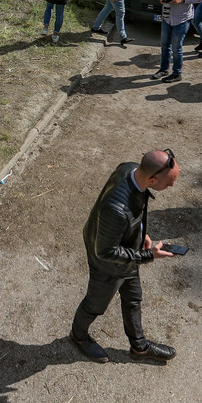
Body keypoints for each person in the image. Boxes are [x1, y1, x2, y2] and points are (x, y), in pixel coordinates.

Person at [70, 150, 180, 364]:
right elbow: (106, 251)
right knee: (95, 304)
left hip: (127, 250)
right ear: (152, 179)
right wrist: (148, 255)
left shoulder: (130, 168)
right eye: (169, 183)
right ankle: (78, 336)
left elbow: (135, 211)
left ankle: (139, 347)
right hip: (107, 261)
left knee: (133, 298)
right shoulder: (116, 210)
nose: (172, 186)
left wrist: (140, 233)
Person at [149, 0, 202, 83]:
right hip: (167, 16)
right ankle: (164, 69)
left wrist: (182, 0)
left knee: (176, 48)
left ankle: (177, 73)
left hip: (182, 18)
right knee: (164, 45)